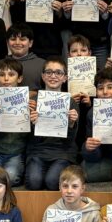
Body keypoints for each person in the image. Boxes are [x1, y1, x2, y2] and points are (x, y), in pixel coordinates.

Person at [25, 57, 81, 190]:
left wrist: (71, 124)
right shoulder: (33, 101)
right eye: (49, 72)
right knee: (34, 182)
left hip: (63, 152)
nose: (53, 76)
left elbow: (70, 141)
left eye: (58, 73)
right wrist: (32, 123)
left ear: (65, 78)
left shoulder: (71, 102)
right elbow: (29, 139)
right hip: (38, 151)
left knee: (52, 182)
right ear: (43, 76)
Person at [0, 57, 30, 186]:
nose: (6, 79)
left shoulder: (28, 100)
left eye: (11, 75)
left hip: (17, 152)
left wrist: (31, 114)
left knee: (10, 177)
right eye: (2, 75)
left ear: (19, 78)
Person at [0, 23, 46, 91]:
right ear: (7, 43)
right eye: (13, 39)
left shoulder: (43, 65)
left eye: (22, 39)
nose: (17, 43)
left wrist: (35, 93)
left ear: (30, 43)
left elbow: (51, 90)